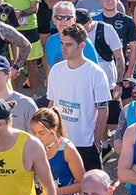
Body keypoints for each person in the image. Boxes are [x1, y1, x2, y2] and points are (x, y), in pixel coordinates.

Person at [46, 22, 112, 170]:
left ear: (82, 46)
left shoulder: (96, 73)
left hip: (85, 143)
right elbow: (51, 104)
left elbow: (103, 110)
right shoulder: (56, 70)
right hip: (60, 142)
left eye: (68, 44)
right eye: (62, 43)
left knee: (90, 186)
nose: (63, 48)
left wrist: (96, 141)